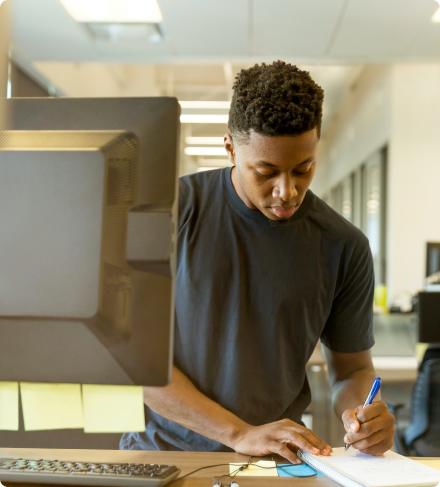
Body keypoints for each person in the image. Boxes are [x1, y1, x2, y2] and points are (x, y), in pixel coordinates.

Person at [120, 60, 394, 462]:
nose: (287, 191)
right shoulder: (171, 213)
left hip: (274, 461)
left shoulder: (343, 245)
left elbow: (352, 371)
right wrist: (237, 432)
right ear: (230, 146)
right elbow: (134, 359)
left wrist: (363, 416)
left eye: (303, 169)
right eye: (266, 172)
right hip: (163, 456)